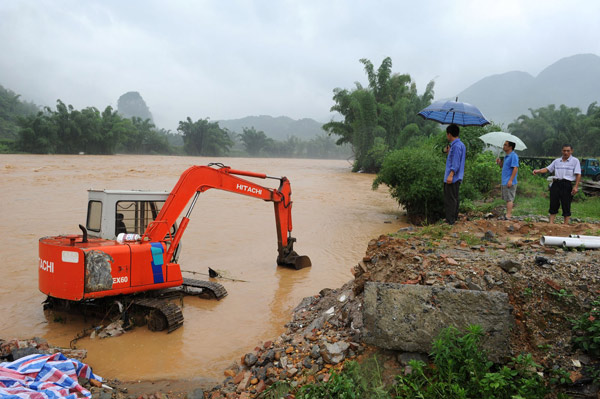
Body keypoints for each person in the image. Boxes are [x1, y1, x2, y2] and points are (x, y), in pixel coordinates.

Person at [533, 144, 581, 224]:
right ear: (562, 151)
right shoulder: (557, 161)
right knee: (553, 203)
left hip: (567, 184)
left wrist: (576, 186)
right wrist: (538, 171)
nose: (566, 152)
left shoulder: (575, 161)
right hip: (556, 183)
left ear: (571, 151)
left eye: (568, 151)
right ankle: (551, 223)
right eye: (564, 150)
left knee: (566, 204)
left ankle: (565, 225)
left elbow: (578, 174)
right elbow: (548, 169)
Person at [443, 124, 466, 224]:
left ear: (449, 134)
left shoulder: (456, 146)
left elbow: (456, 162)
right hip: (456, 177)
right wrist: (449, 153)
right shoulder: (460, 145)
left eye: (447, 134)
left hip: (452, 177)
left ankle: (450, 220)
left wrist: (451, 174)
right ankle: (453, 218)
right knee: (454, 198)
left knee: (450, 199)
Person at [496, 141, 519, 219]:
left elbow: (515, 168)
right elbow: (504, 167)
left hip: (509, 181)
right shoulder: (506, 156)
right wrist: (499, 163)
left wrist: (511, 180)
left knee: (509, 198)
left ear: (510, 147)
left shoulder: (513, 156)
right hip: (505, 180)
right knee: (507, 198)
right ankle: (507, 214)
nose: (504, 146)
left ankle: (508, 215)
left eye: (505, 145)